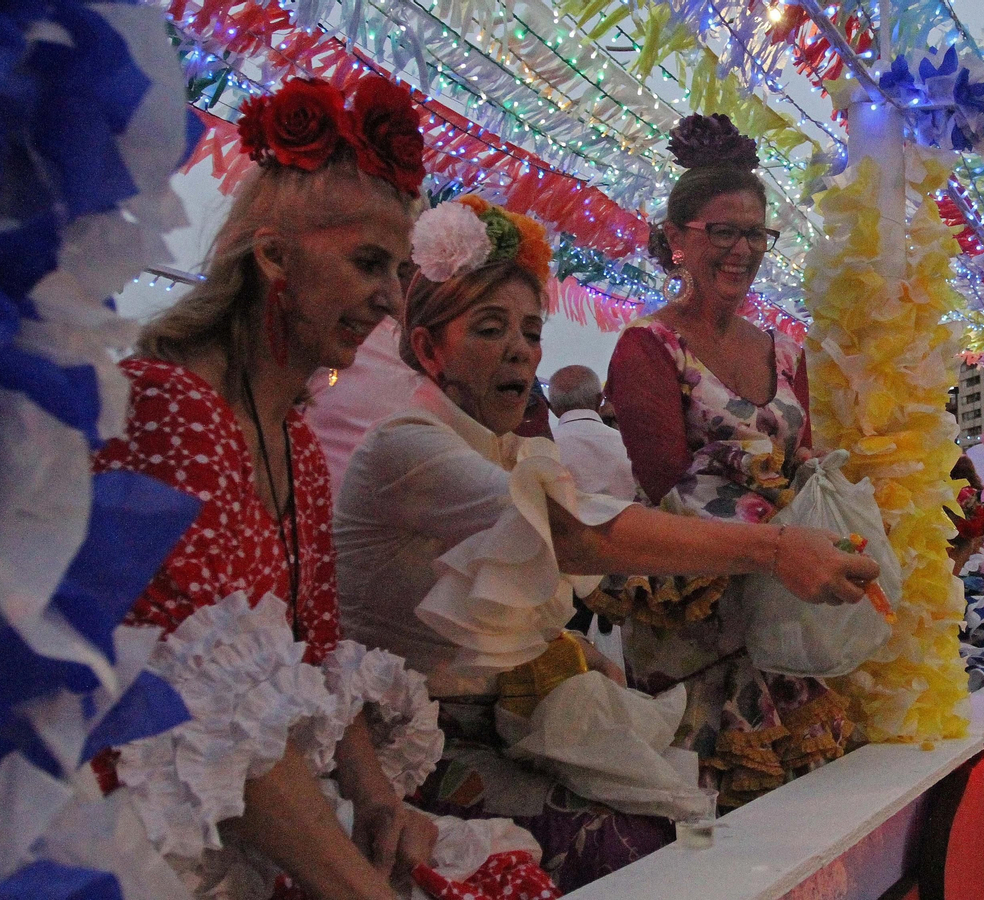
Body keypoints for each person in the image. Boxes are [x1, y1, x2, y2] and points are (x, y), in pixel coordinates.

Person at [334, 196, 878, 888]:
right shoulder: (411, 443)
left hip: (705, 618)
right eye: (490, 329)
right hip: (425, 736)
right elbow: (572, 529)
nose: (519, 350)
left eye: (531, 332)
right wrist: (773, 548)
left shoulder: (510, 448)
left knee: (714, 816)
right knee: (659, 842)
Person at [92, 76, 444, 899]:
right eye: (368, 264)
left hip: (241, 828)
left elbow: (313, 655)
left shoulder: (292, 436)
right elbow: (208, 716)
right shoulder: (170, 405)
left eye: (399, 273)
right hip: (135, 845)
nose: (391, 301)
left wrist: (377, 794)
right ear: (274, 254)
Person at [603, 114, 853, 806]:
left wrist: (837, 483)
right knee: (707, 814)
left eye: (755, 234)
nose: (742, 249)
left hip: (784, 611)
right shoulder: (646, 346)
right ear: (677, 240)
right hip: (696, 617)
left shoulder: (782, 350)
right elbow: (665, 483)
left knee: (798, 807)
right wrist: (777, 526)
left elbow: (798, 454)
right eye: (723, 231)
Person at [547, 364, 640, 502]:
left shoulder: (541, 447)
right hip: (633, 521)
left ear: (552, 408)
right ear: (599, 399)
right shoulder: (631, 446)